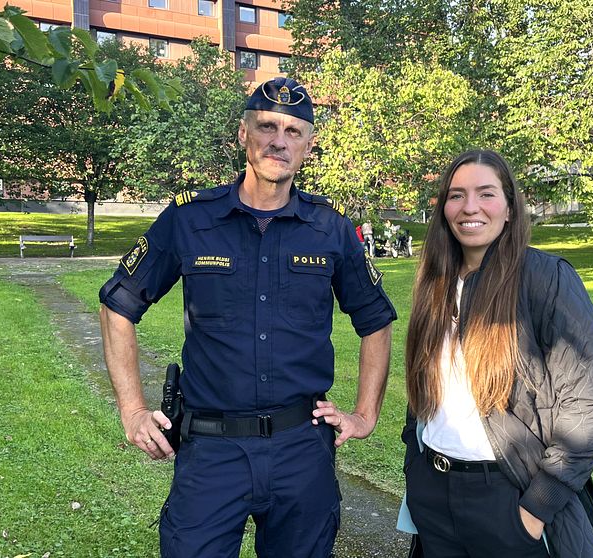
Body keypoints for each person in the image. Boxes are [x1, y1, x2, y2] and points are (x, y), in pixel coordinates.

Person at [98, 77, 397, 558]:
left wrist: (365, 413)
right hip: (211, 452)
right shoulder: (190, 218)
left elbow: (375, 319)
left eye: (294, 131)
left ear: (309, 144)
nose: (280, 140)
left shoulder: (332, 229)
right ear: (243, 134)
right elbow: (119, 304)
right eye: (267, 126)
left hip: (302, 449)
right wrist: (132, 410)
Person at [396, 150, 593, 558]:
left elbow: (590, 407)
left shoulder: (546, 280)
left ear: (511, 208)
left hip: (509, 497)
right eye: (456, 195)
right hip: (434, 494)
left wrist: (536, 510)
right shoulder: (436, 283)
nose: (470, 207)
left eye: (486, 194)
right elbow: (423, 391)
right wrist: (415, 463)